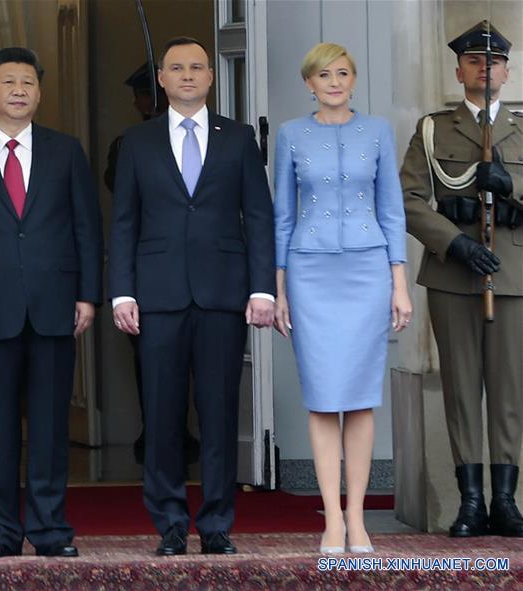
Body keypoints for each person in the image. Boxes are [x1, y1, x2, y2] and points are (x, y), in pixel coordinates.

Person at [108, 37, 275, 556]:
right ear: (161, 78)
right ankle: (171, 521)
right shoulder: (136, 142)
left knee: (221, 410)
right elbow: (124, 223)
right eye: (176, 68)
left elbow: (260, 216)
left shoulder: (239, 137)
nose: (186, 75)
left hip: (223, 292)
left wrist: (262, 287)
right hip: (156, 295)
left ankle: (218, 522)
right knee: (161, 412)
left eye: (196, 67)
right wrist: (121, 293)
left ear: (210, 77)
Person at [0, 47, 103, 558]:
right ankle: (2, 531)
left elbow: (86, 228)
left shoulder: (65, 150)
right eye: (8, 82)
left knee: (52, 424)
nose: (18, 90)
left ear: (39, 93)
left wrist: (88, 295)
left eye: (27, 82)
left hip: (56, 303)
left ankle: (51, 529)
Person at [272, 43, 411, 554]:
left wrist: (399, 283)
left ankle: (357, 518)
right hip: (309, 272)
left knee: (358, 395)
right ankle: (331, 518)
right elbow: (281, 215)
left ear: (354, 80)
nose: (334, 82)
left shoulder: (376, 131)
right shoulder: (290, 134)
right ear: (308, 83)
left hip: (366, 270)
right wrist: (281, 289)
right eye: (323, 74)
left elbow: (392, 210)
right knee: (322, 394)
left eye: (343, 73)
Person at [401, 20, 523, 538]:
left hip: (513, 275)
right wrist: (456, 241)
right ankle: (470, 500)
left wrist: (512, 188)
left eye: (493, 62)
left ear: (508, 71)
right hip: (454, 273)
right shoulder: (434, 129)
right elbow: (407, 199)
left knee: (510, 390)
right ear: (459, 71)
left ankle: (505, 500)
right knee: (460, 388)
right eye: (475, 61)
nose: (485, 69)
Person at [104, 63, 199, 467]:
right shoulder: (130, 143)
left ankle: (188, 434)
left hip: (200, 271)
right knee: (152, 364)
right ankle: (158, 431)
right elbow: (118, 187)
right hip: (150, 268)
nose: (139, 103)